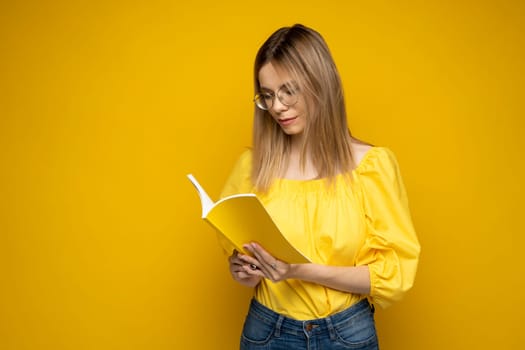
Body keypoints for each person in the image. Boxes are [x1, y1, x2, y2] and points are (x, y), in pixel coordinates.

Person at [220, 24, 420, 350]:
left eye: (288, 91)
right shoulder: (252, 167)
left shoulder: (371, 166)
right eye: (267, 95)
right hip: (267, 330)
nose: (277, 107)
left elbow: (390, 275)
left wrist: (299, 270)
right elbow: (247, 261)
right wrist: (243, 270)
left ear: (320, 85)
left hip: (347, 331)